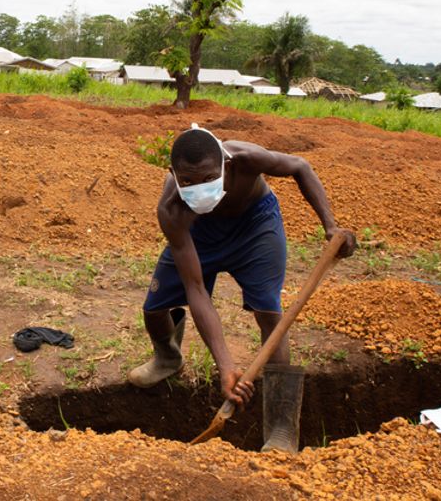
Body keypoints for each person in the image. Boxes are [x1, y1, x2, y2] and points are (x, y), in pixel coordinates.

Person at [128, 124, 356, 453]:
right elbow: (195, 289)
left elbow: (300, 166)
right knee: (154, 307)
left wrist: (330, 224)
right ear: (173, 174)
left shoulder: (246, 158)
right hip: (198, 235)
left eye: (208, 177)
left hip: (255, 225)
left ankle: (281, 426)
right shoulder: (172, 209)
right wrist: (226, 367)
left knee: (268, 312)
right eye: (187, 181)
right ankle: (167, 358)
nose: (198, 187)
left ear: (226, 163)